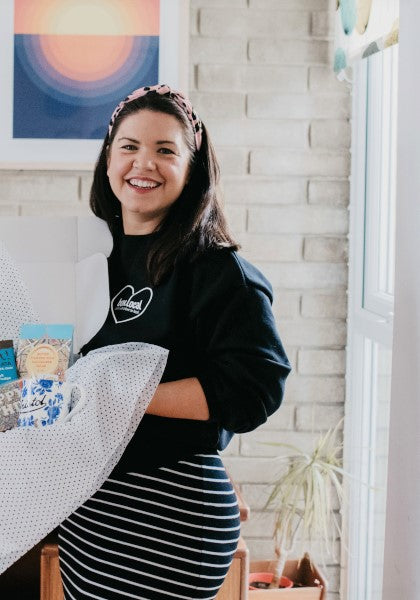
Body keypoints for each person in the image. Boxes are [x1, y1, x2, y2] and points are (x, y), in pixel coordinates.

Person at [58, 85, 291, 599]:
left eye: (166, 150)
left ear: (193, 169)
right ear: (108, 159)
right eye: (129, 146)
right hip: (89, 517)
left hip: (171, 515)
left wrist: (126, 395)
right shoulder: (89, 259)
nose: (144, 163)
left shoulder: (218, 270)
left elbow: (254, 390)